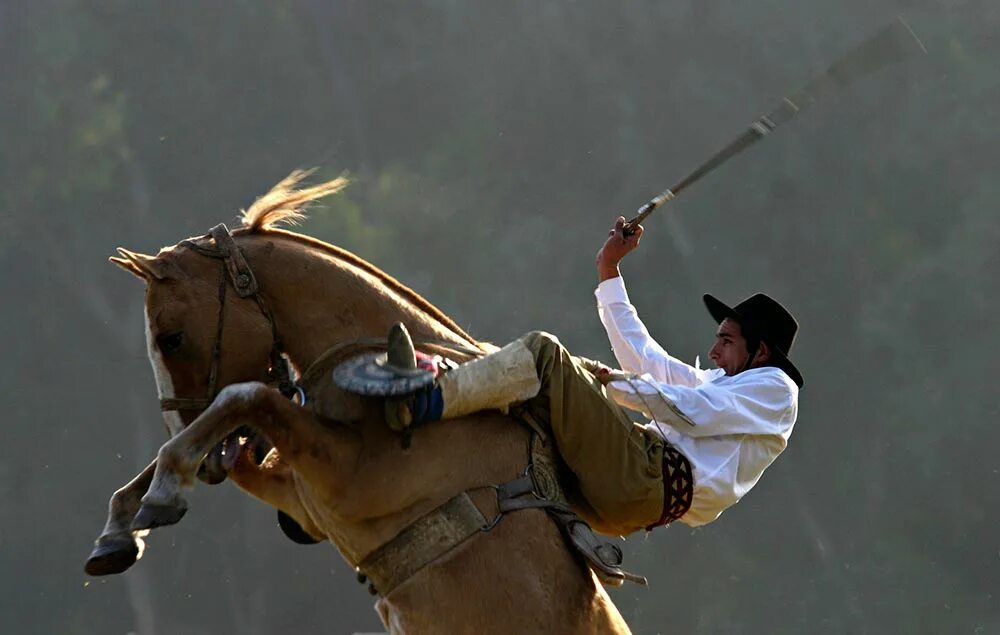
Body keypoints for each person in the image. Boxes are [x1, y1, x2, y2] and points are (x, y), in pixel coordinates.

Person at [345, 216, 801, 536]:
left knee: (544, 354)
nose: (713, 350)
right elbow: (649, 362)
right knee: (524, 386)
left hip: (644, 475)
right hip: (634, 486)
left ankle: (424, 398)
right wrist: (609, 272)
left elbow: (693, 412)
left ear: (760, 350)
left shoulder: (775, 391)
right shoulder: (733, 386)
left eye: (725, 341)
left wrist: (607, 382)